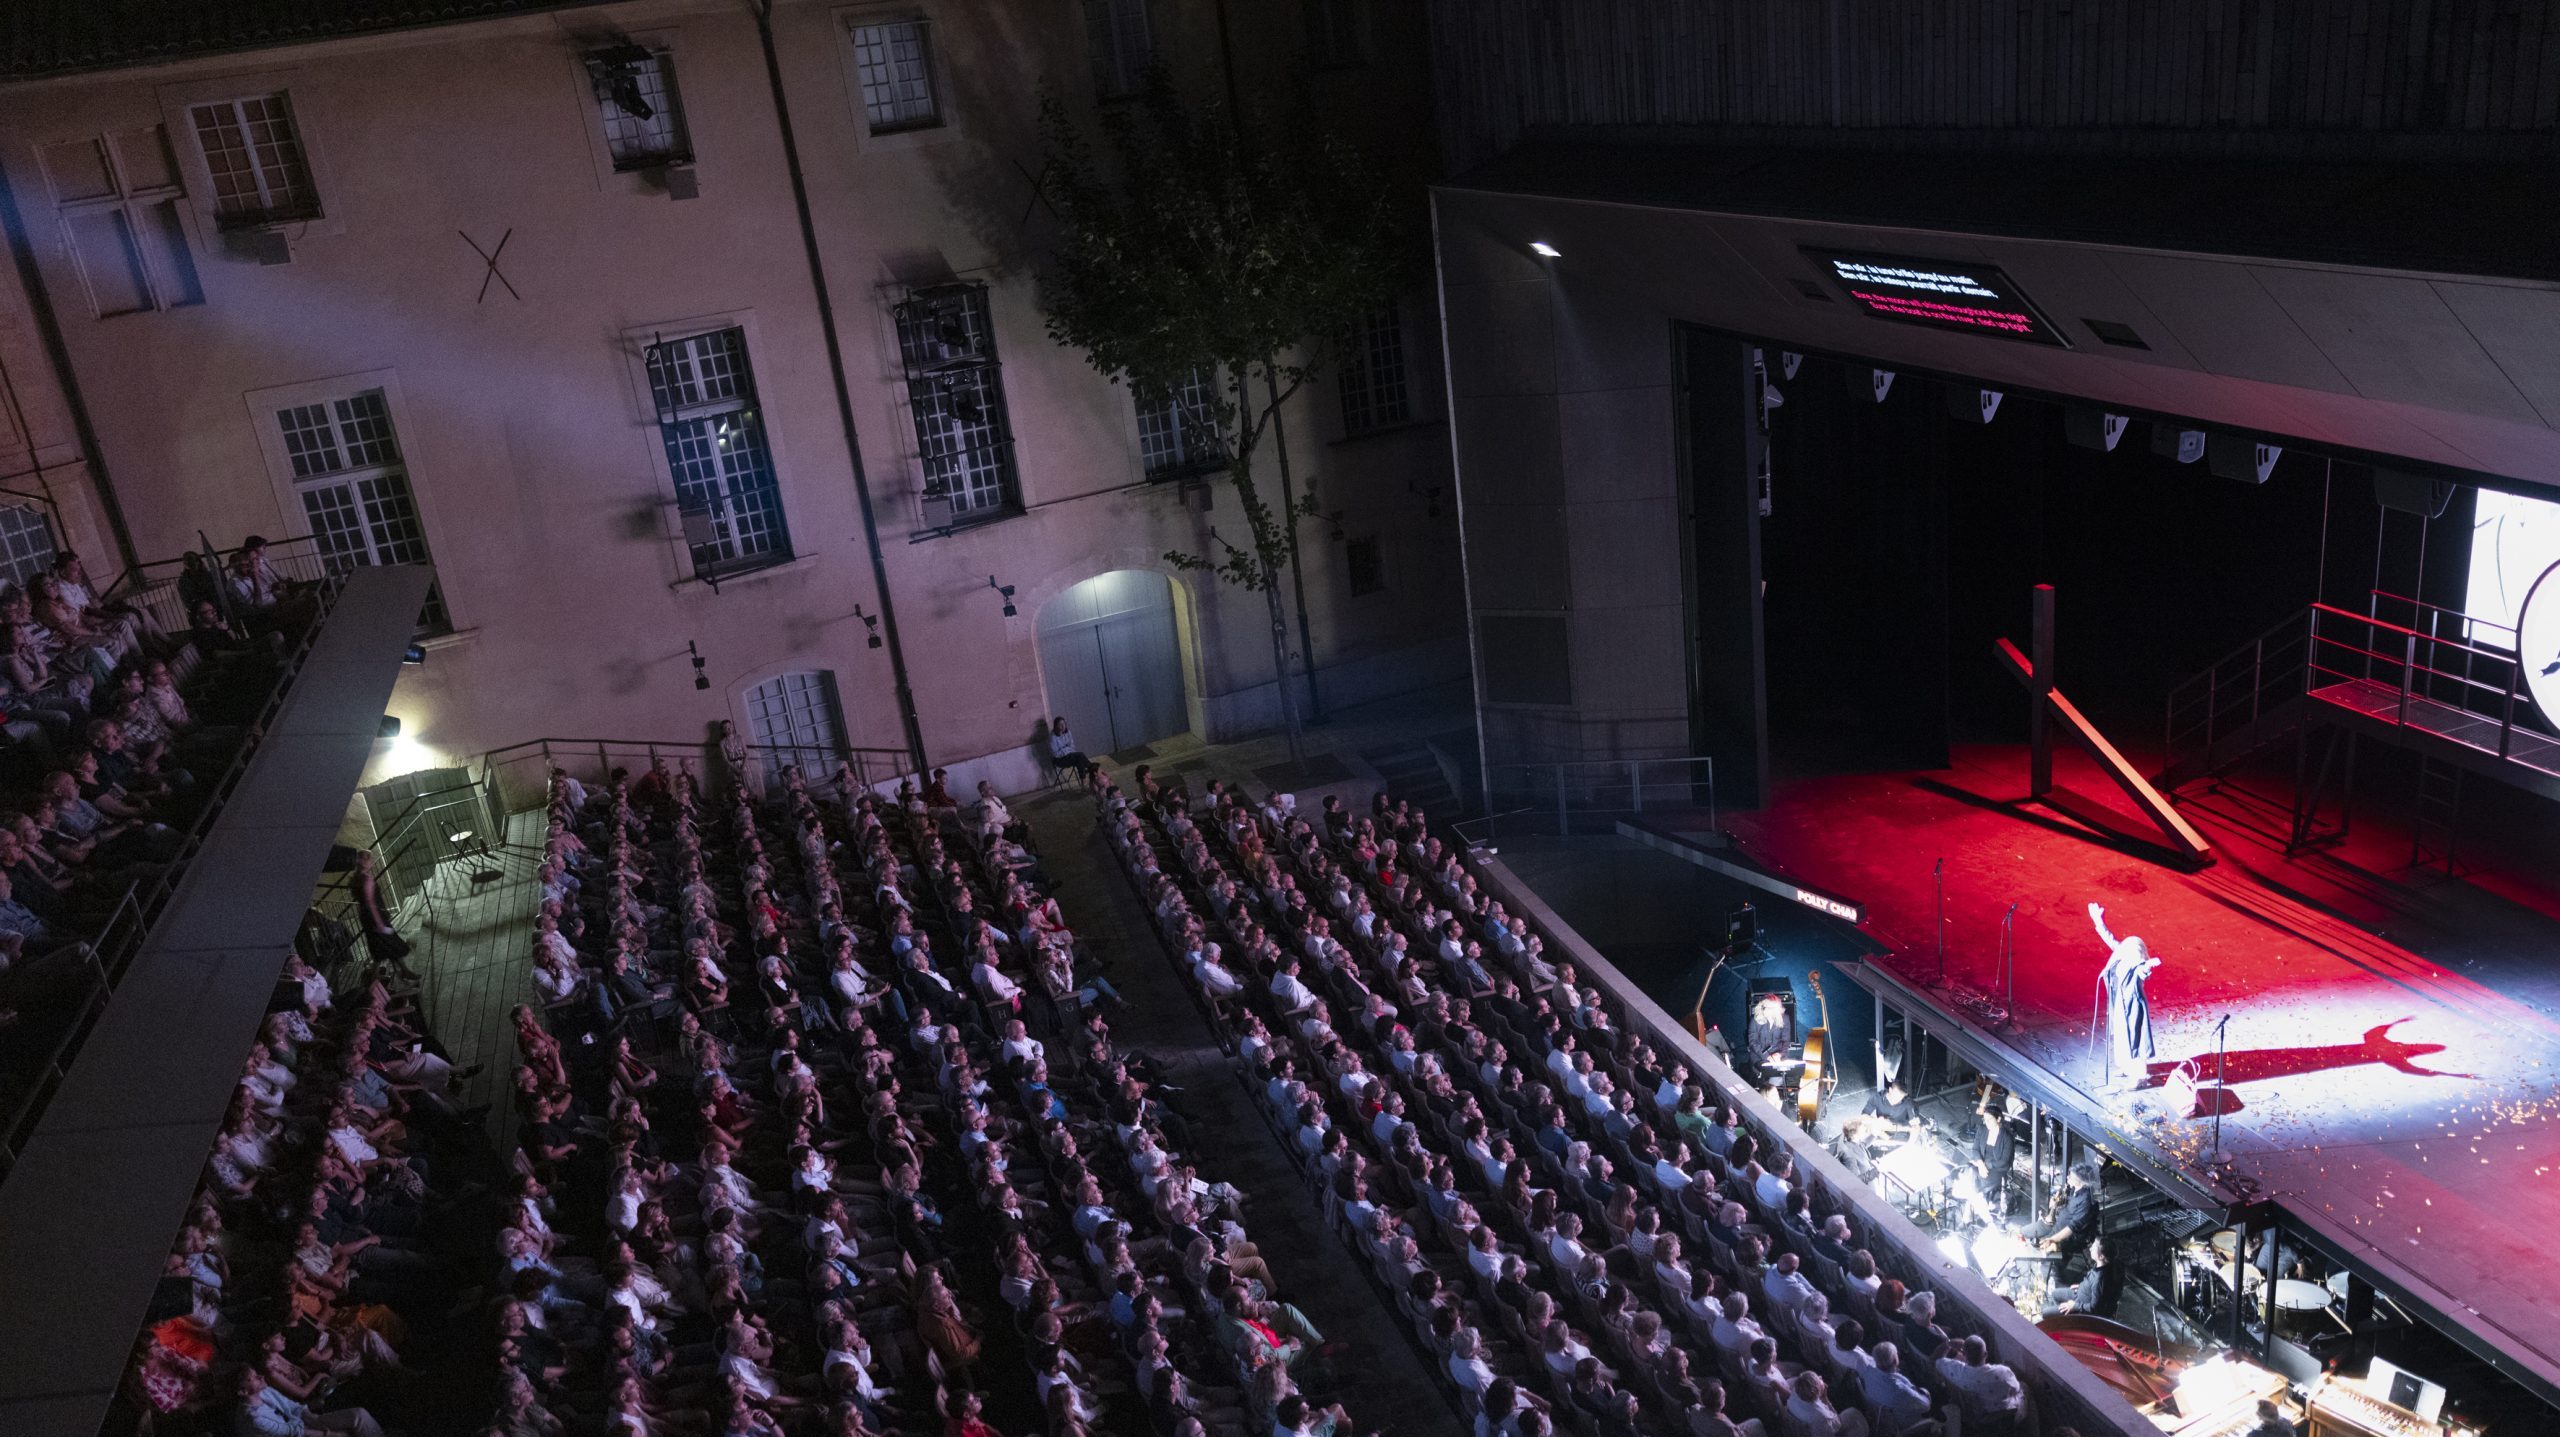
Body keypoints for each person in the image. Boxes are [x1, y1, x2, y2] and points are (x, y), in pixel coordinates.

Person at [2089, 902, 2162, 1086]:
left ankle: (2139, 1077)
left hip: (2133, 1005)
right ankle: (2125, 1065)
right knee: (2121, 1035)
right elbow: (2110, 939)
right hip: (2119, 1003)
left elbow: (2143, 971)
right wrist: (2098, 921)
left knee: (2136, 1038)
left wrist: (2149, 964)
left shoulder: (2137, 964)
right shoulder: (2122, 955)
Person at [2046, 1234, 2124, 1319]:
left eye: (2094, 1247)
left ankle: (2068, 1319)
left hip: (2081, 1306)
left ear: (2101, 1256)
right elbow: (2093, 1284)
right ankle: (2062, 1315)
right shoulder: (2106, 1265)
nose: (2090, 1248)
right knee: (2054, 1293)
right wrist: (2082, 1286)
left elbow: (2094, 1308)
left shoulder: (2099, 1280)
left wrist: (2074, 1306)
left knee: (2045, 1313)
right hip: (2079, 1293)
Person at [2028, 1164, 2097, 1254]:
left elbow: (2074, 1227)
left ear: (2081, 1181)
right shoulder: (2074, 1189)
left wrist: (2052, 1239)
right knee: (2030, 1237)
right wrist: (2058, 1203)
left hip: (2068, 1237)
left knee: (2042, 1252)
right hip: (2057, 1227)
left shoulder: (2086, 1200)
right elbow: (2069, 1204)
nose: (2068, 1177)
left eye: (2071, 1177)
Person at [1047, 716, 1095, 782]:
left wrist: (1064, 749)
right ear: (1056, 726)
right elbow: (1055, 754)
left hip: (1070, 756)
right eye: (1060, 725)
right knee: (1080, 755)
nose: (1063, 726)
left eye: (1064, 724)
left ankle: (1084, 780)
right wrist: (1067, 749)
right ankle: (1091, 769)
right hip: (1059, 760)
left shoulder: (1068, 732)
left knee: (1079, 759)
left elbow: (1072, 746)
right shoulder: (1052, 738)